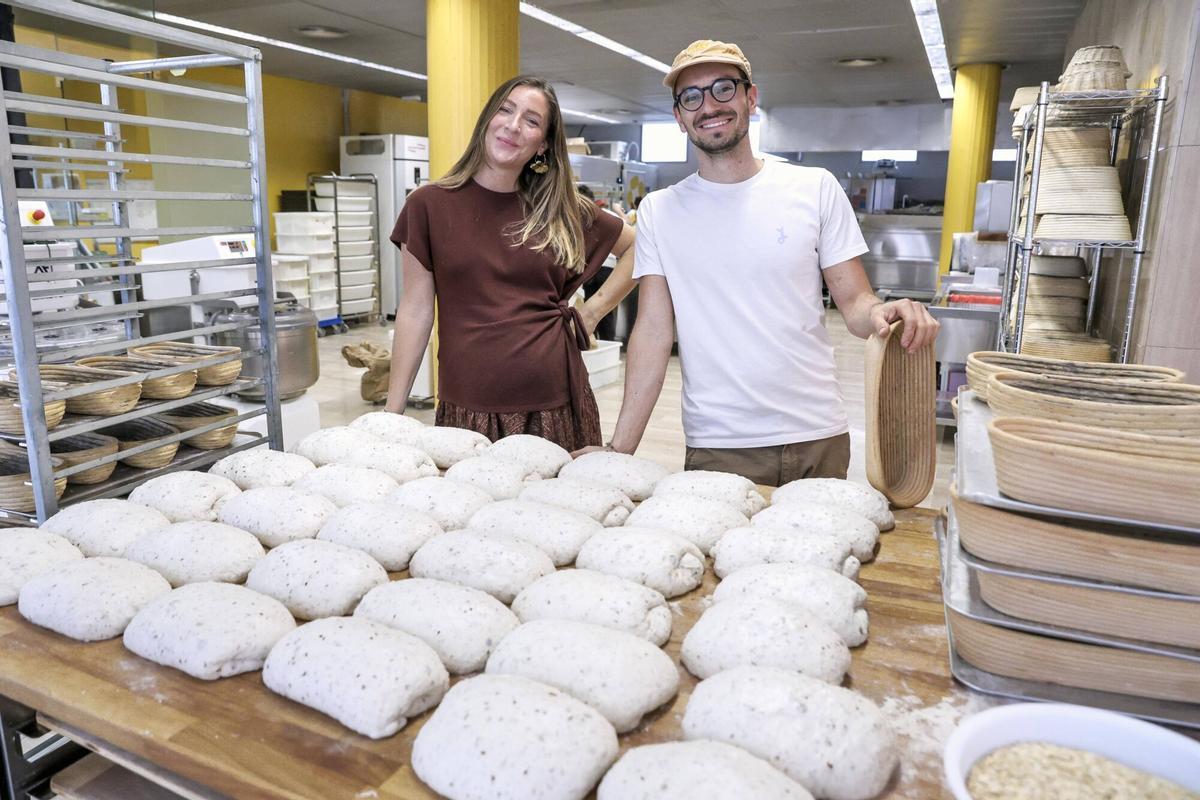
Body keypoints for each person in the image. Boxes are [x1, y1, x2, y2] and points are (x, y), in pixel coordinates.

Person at [593, 40, 939, 485]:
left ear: (750, 98)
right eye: (691, 97)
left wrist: (882, 312)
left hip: (819, 434)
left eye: (723, 88)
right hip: (721, 442)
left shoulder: (814, 188)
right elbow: (654, 333)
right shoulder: (660, 211)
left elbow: (855, 302)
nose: (709, 106)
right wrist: (619, 450)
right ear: (679, 117)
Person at [384, 75, 636, 451]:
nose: (514, 125)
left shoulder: (561, 210)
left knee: (555, 508)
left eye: (532, 121)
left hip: (554, 405)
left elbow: (640, 250)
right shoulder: (429, 205)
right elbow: (416, 311)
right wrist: (391, 415)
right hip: (467, 406)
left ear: (543, 146)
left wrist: (591, 313)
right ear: (487, 119)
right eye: (505, 110)